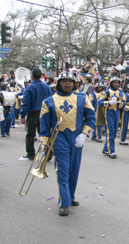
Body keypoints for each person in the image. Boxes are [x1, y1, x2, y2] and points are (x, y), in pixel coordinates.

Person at [39, 71, 96, 216]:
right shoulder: (48, 101)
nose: (67, 83)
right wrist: (43, 143)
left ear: (75, 83)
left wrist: (84, 133)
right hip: (59, 139)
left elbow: (91, 117)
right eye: (64, 81)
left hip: (77, 138)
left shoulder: (83, 98)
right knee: (63, 170)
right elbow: (44, 126)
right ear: (58, 83)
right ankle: (63, 202)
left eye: (70, 81)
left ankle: (70, 196)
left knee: (74, 169)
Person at [20, 68, 53, 160]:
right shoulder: (47, 87)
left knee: (30, 134)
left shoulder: (30, 87)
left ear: (32, 76)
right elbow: (51, 100)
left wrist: (23, 115)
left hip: (33, 113)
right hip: (45, 113)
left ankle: (31, 153)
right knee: (44, 133)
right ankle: (48, 152)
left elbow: (26, 103)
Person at [98, 77, 126, 158]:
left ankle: (106, 148)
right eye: (115, 83)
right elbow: (100, 102)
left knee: (114, 132)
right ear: (111, 83)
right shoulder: (106, 92)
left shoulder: (121, 93)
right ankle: (111, 151)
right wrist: (108, 102)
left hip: (116, 113)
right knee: (110, 131)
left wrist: (119, 103)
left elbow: (123, 104)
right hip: (108, 112)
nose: (116, 84)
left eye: (118, 83)